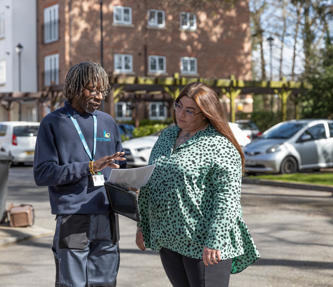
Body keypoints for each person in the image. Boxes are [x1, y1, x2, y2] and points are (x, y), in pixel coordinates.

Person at [136, 82, 260, 287]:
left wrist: (215, 241)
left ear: (205, 113)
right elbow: (151, 181)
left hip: (204, 243)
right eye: (178, 106)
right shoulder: (168, 135)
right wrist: (143, 226)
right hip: (169, 238)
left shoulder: (219, 145)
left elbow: (227, 199)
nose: (180, 114)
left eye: (189, 110)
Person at [34, 62, 125, 287]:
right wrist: (90, 167)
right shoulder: (53, 122)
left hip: (106, 214)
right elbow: (43, 174)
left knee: (105, 282)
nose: (98, 96)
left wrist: (126, 182)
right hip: (74, 215)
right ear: (75, 87)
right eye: (92, 89)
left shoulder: (107, 122)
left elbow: (119, 166)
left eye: (102, 91)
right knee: (71, 283)